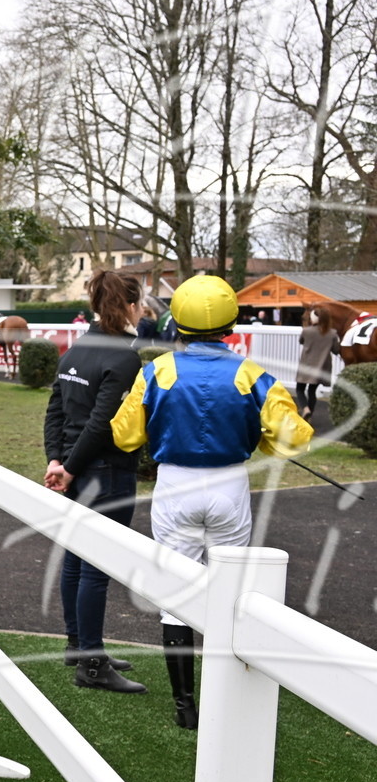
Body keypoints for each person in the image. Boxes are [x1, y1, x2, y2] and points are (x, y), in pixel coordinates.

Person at [111, 275, 313, 728]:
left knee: (176, 595)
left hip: (174, 486)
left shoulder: (158, 370)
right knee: (231, 588)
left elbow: (125, 437)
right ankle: (227, 696)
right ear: (230, 324)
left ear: (178, 322)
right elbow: (294, 439)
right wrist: (261, 439)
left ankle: (185, 706)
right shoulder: (251, 373)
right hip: (229, 486)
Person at [43, 270, 146, 694]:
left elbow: (55, 410)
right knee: (95, 566)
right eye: (140, 303)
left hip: (75, 466)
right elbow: (102, 423)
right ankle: (91, 662)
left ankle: (80, 646)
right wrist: (66, 466)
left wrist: (57, 459)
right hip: (105, 472)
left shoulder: (77, 348)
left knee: (75, 559)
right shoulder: (125, 356)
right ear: (130, 306)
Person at [295, 306, 338, 420]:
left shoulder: (307, 331)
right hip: (321, 367)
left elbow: (301, 341)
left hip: (306, 365)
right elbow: (336, 350)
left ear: (313, 319)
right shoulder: (332, 333)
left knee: (300, 389)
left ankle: (305, 409)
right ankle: (309, 415)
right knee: (312, 391)